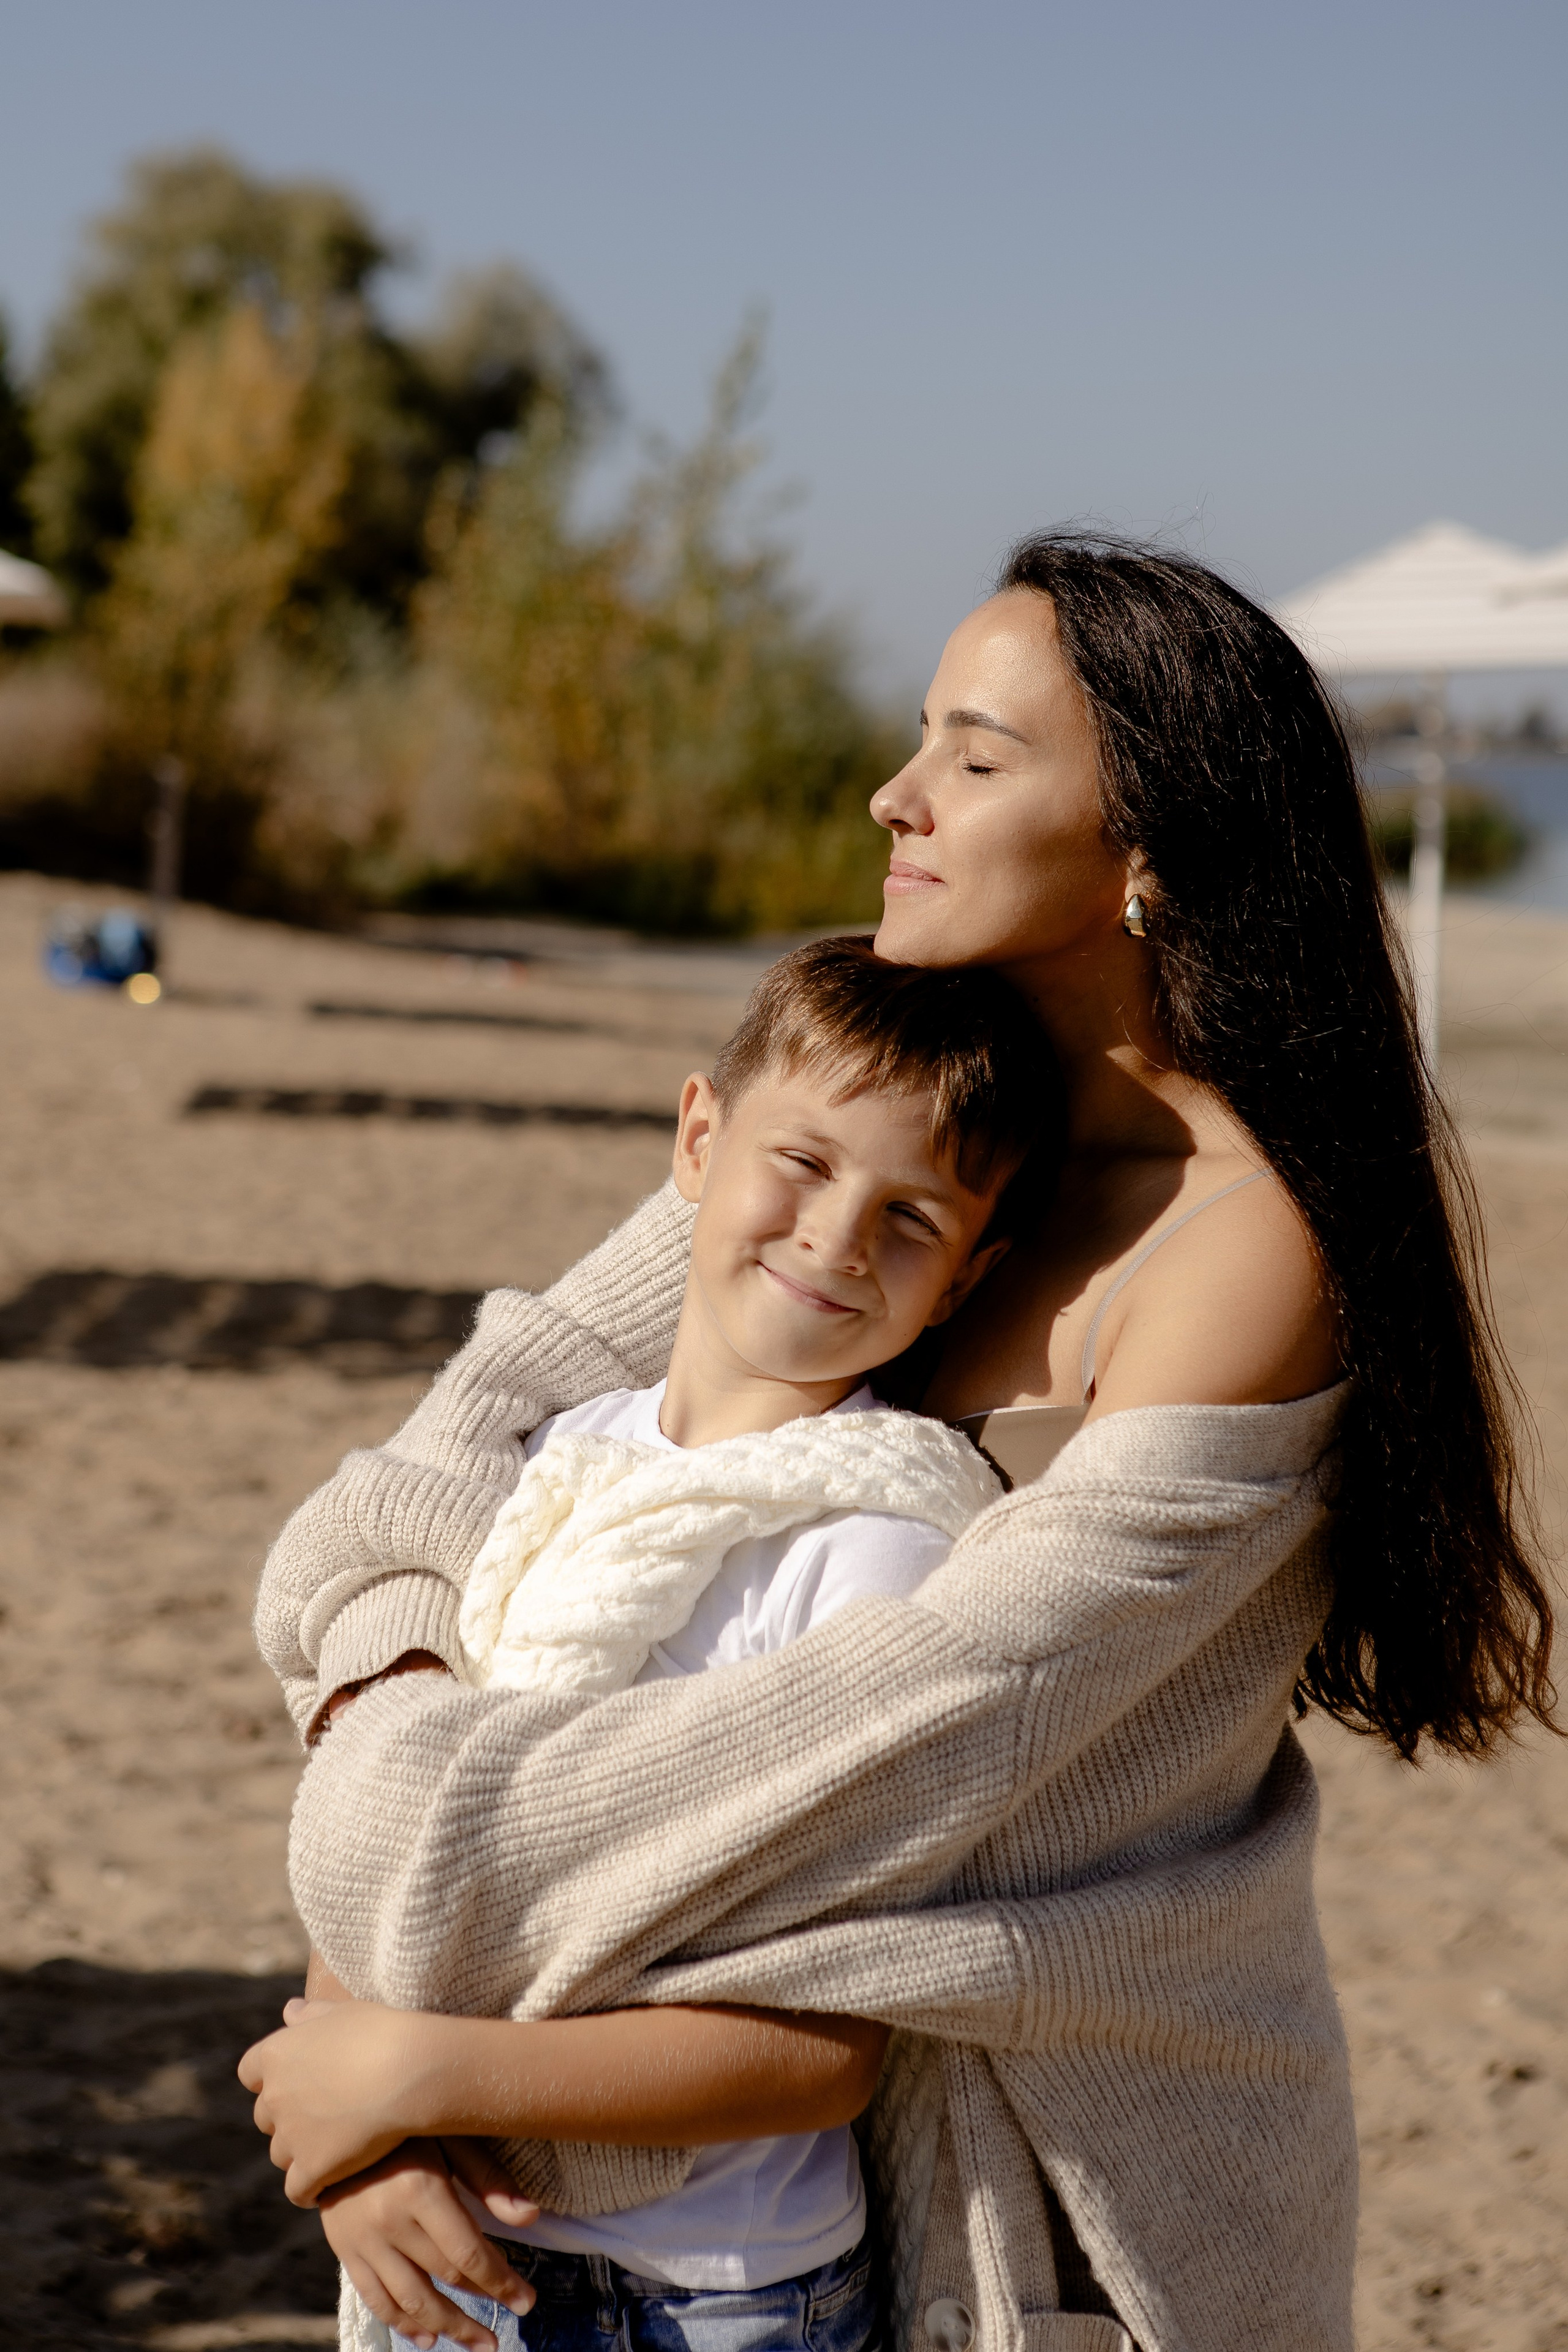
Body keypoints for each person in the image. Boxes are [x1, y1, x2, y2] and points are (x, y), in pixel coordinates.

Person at [247, 533, 1556, 2352]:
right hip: (678, 2147)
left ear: (1147, 851)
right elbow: (478, 1441)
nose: (896, 790)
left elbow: (926, 1725)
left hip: (1060, 2195)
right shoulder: (908, 1115)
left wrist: (386, 1918)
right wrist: (363, 2060)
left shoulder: (1242, 1249)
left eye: (975, 753)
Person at [247, 939, 1063, 2352]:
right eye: (799, 1163)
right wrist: (359, 2141)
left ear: (968, 1273)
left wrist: (413, 2076)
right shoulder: (560, 1460)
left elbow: (817, 2052)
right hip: (448, 2230)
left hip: (707, 2289)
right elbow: (395, 1814)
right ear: (698, 1137)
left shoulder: (871, 1545)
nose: (834, 1239)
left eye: (909, 1218)